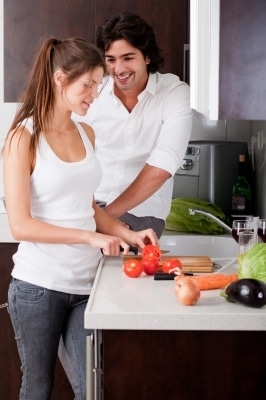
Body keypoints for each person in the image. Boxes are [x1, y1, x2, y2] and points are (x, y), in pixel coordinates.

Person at [3, 37, 158, 400]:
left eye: (98, 85)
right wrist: (90, 238)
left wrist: (129, 234)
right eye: (87, 84)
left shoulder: (86, 133)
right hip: (38, 287)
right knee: (38, 387)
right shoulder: (23, 138)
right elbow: (20, 225)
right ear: (60, 79)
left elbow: (88, 209)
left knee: (91, 389)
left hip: (88, 287)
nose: (95, 93)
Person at [73, 12, 193, 238]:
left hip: (142, 213)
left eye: (128, 58)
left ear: (147, 56)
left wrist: (106, 217)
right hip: (90, 208)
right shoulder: (93, 91)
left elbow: (164, 162)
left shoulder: (175, 93)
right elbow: (69, 145)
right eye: (110, 59)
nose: (118, 69)